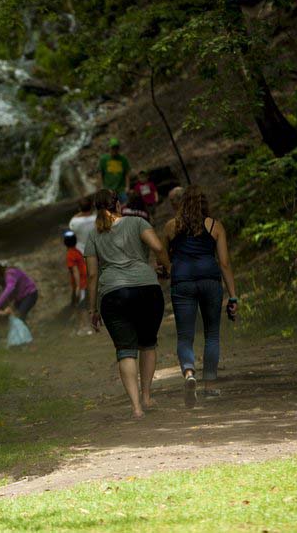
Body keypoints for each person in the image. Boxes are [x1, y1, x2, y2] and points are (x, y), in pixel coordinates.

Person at [82, 189, 172, 419]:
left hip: (113, 294)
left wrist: (92, 309)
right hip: (146, 290)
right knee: (148, 344)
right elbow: (159, 248)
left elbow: (92, 276)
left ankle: (136, 408)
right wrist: (166, 268)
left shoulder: (94, 235)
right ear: (119, 205)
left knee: (125, 351)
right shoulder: (137, 222)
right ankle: (147, 396)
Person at [163, 186, 238, 407]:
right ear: (204, 203)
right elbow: (224, 263)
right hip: (209, 281)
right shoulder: (215, 226)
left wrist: (168, 269)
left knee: (185, 336)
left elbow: (164, 259)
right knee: (212, 334)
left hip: (183, 283)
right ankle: (210, 386)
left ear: (181, 203)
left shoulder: (170, 227)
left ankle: (188, 373)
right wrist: (233, 296)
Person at [98, 138, 131, 203]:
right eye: (113, 148)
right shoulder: (103, 159)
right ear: (109, 148)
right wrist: (102, 188)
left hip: (121, 189)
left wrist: (128, 187)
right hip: (109, 191)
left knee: (126, 206)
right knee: (112, 210)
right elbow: (100, 174)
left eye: (116, 148)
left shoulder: (123, 159)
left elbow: (127, 174)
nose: (114, 150)